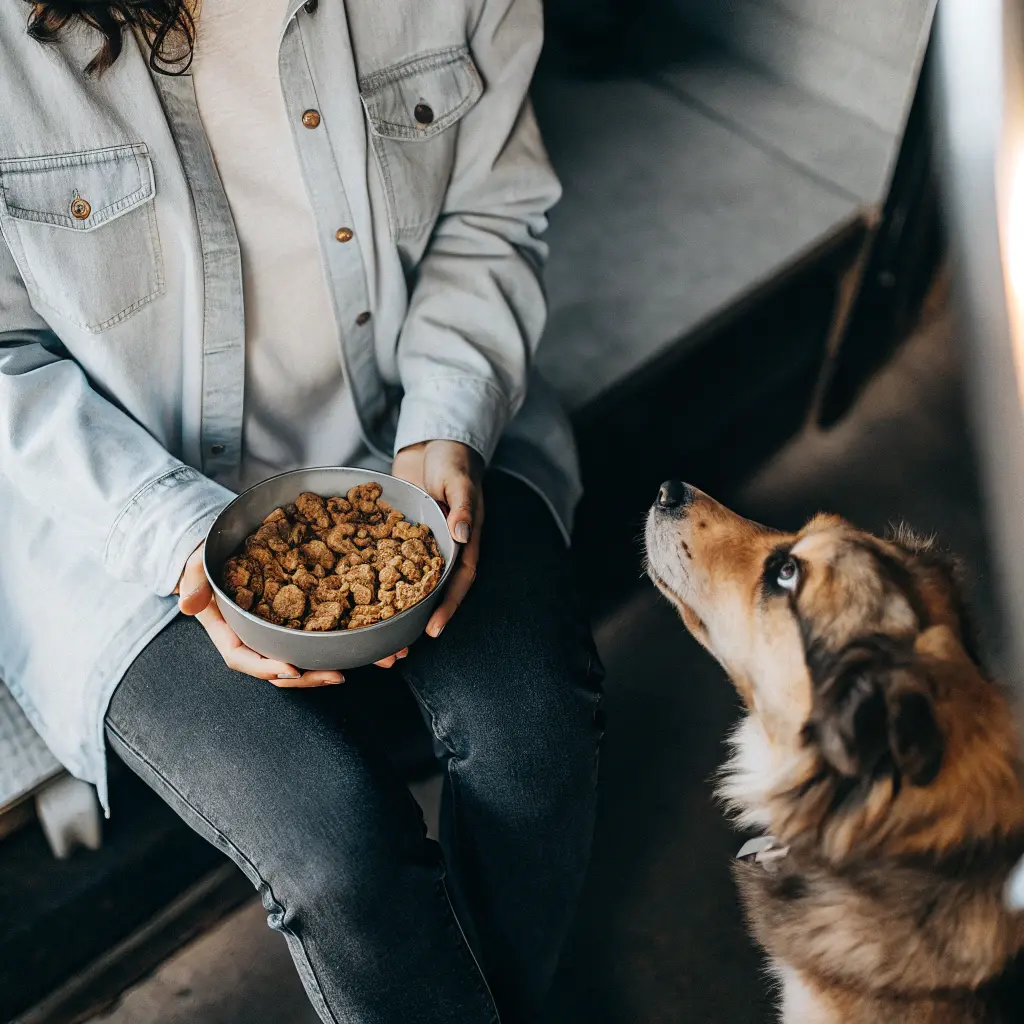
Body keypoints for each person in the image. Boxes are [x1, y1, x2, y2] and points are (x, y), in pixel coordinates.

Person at [0, 1, 603, 1020]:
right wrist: (179, 533)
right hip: (113, 505)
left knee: (538, 732)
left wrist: (445, 423)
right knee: (338, 854)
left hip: (399, 418)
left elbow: (493, 211)